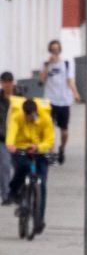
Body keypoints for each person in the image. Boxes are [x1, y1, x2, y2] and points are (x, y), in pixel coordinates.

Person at [5, 97, 55, 236]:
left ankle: (39, 218)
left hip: (40, 150)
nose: (28, 119)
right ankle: (14, 192)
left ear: (35, 112)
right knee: (21, 168)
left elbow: (49, 140)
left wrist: (39, 147)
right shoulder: (18, 116)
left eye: (30, 116)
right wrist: (10, 144)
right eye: (26, 116)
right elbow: (12, 132)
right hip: (21, 149)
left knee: (42, 184)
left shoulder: (45, 118)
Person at [41, 40, 74, 165]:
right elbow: (41, 80)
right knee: (50, 128)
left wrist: (75, 93)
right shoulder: (45, 64)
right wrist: (48, 65)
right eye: (52, 50)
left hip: (64, 100)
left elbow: (70, 80)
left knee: (64, 131)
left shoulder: (66, 63)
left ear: (60, 50)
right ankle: (51, 153)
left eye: (57, 49)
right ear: (50, 51)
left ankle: (62, 148)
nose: (55, 52)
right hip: (49, 100)